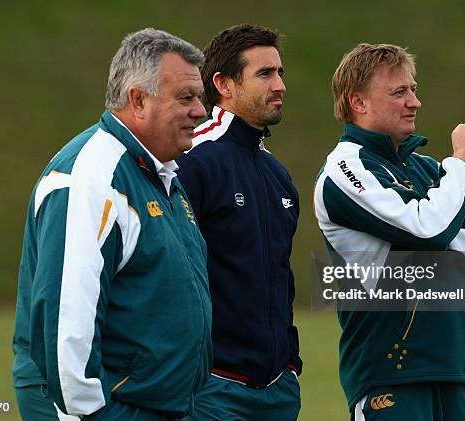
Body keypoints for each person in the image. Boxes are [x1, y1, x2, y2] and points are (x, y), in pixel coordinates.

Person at [12, 28, 212, 420]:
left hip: (155, 404)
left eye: (199, 98)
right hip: (107, 409)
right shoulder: (93, 179)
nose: (200, 110)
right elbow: (66, 322)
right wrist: (94, 411)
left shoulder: (160, 173)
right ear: (137, 99)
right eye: (186, 97)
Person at [314, 43, 465, 421]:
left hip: (454, 374)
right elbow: (428, 230)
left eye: (413, 89)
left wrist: (435, 226)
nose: (414, 102)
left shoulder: (426, 169)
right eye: (399, 92)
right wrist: (463, 162)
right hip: (389, 378)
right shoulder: (343, 172)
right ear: (358, 102)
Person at [175, 24, 301, 420]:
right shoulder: (192, 159)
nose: (279, 85)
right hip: (213, 389)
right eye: (265, 74)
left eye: (279, 72)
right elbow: (170, 275)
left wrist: (290, 368)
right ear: (224, 84)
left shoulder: (277, 173)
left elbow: (281, 278)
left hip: (278, 390)